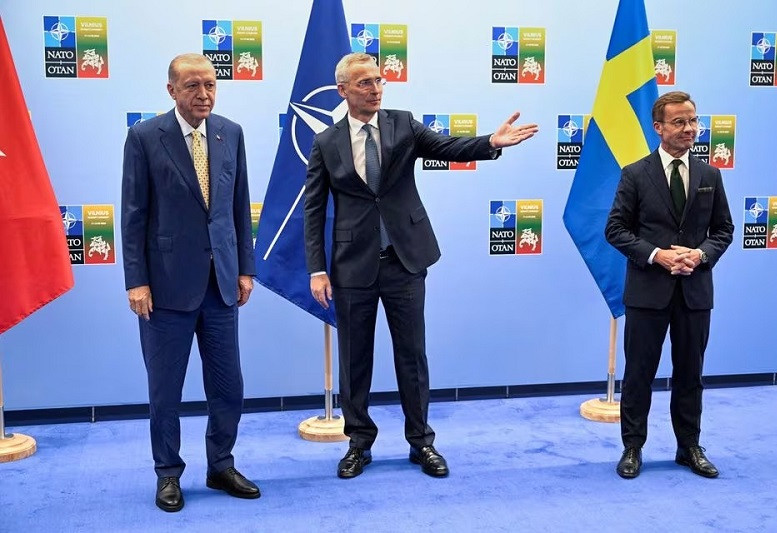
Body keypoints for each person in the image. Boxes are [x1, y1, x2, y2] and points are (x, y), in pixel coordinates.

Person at [304, 52, 538, 479]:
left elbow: (447, 147)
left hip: (404, 261)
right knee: (354, 359)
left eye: (379, 81)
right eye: (364, 83)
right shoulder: (325, 143)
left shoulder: (402, 122)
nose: (376, 89)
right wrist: (317, 269)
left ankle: (421, 442)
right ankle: (359, 443)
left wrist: (490, 142)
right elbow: (314, 210)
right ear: (343, 91)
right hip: (351, 267)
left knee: (411, 355)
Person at [121, 53, 259, 511]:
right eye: (193, 86)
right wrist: (137, 281)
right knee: (166, 391)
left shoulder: (231, 132)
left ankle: (221, 465)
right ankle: (168, 474)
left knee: (229, 387)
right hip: (164, 290)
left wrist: (244, 268)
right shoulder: (144, 137)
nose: (204, 94)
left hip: (220, 286)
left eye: (211, 85)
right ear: (172, 90)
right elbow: (134, 214)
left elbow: (239, 207)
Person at [605, 91, 734, 479]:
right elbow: (615, 229)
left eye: (693, 121)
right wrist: (657, 254)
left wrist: (700, 254)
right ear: (658, 128)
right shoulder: (635, 173)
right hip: (647, 291)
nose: (689, 129)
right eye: (678, 122)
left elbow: (724, 229)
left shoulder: (710, 175)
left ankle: (689, 447)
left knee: (690, 373)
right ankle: (632, 447)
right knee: (639, 372)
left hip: (694, 292)